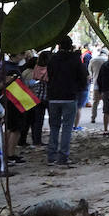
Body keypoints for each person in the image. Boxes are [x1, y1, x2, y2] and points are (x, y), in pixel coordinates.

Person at [44, 36, 87, 166]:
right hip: (69, 97)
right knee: (67, 128)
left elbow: (50, 75)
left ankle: (51, 156)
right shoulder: (75, 60)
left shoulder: (53, 59)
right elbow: (82, 77)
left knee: (54, 128)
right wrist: (77, 89)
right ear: (71, 46)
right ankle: (63, 157)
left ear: (59, 46)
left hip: (54, 97)